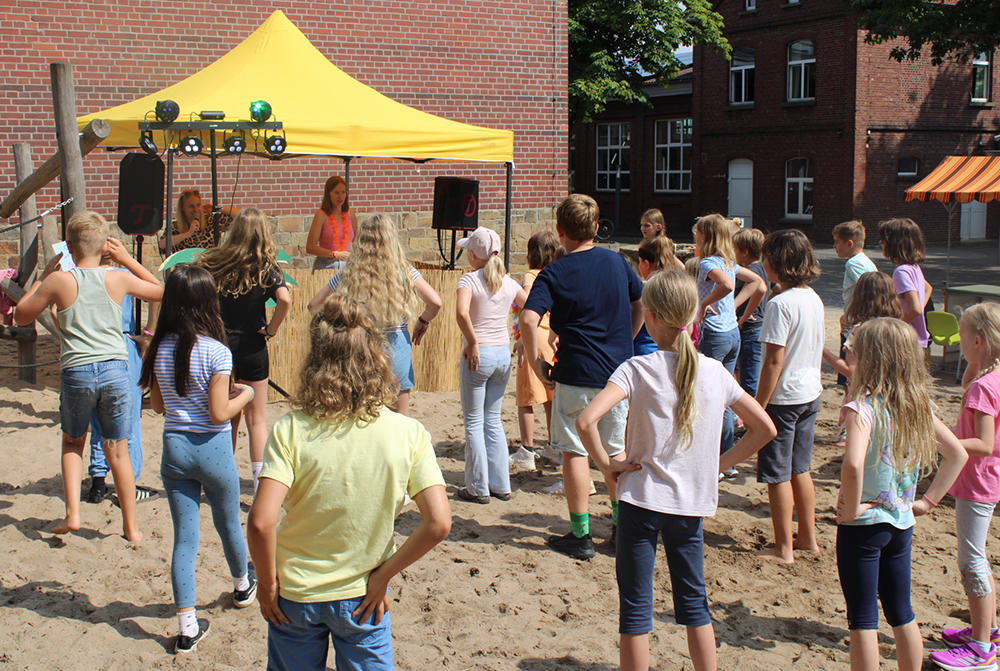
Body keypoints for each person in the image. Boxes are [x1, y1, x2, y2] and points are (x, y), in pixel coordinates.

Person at [576, 270, 776, 671]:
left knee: (635, 610)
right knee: (694, 603)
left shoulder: (637, 368)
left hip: (641, 499)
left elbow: (585, 421)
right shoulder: (716, 373)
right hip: (690, 505)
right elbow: (764, 429)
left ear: (649, 317)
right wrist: (719, 465)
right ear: (695, 315)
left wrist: (606, 466)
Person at [247, 294, 451, 671]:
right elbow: (438, 523)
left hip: (296, 593)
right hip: (364, 595)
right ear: (378, 356)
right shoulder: (409, 433)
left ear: (316, 357)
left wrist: (266, 583)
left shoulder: (291, 429)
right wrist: (383, 576)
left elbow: (261, 522)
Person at [14, 212, 162, 541]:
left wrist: (44, 275)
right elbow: (159, 291)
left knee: (72, 442)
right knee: (118, 450)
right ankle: (132, 527)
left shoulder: (60, 280)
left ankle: (73, 514)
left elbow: (21, 315)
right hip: (114, 369)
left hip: (78, 371)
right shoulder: (116, 277)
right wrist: (127, 260)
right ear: (105, 245)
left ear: (68, 246)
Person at [140, 264, 258, 654]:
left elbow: (157, 405)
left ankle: (187, 626)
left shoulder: (160, 348)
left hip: (175, 448)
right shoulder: (216, 351)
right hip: (213, 449)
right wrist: (247, 395)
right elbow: (219, 414)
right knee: (228, 525)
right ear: (210, 303)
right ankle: (242, 585)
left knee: (184, 540)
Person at [837, 318, 967, 671]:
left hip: (864, 527)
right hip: (901, 523)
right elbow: (957, 454)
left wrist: (851, 509)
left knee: (862, 619)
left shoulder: (861, 408)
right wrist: (928, 501)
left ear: (870, 360)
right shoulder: (917, 406)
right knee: (901, 612)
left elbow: (852, 465)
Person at [520, 194, 644, 560]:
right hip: (616, 375)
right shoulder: (619, 263)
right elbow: (640, 303)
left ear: (560, 232)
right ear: (595, 227)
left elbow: (528, 319)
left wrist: (535, 361)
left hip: (575, 372)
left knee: (575, 451)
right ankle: (622, 528)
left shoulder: (554, 272)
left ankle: (581, 534)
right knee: (615, 450)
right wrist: (628, 341)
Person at [307, 214, 442, 416]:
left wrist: (340, 324)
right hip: (397, 348)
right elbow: (436, 302)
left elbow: (314, 305)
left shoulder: (349, 273)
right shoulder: (405, 272)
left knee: (362, 417)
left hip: (361, 347)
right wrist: (422, 321)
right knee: (399, 420)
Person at [197, 207, 292, 492]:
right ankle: (261, 483)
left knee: (226, 416)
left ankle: (219, 478)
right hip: (252, 344)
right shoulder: (267, 268)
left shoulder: (213, 261)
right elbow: (285, 300)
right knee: (257, 418)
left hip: (219, 345)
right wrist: (271, 329)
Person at [929, 303, 1000, 671]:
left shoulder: (985, 387)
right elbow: (967, 381)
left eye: (962, 334)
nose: (956, 339)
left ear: (977, 340)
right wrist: (979, 360)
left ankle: (981, 648)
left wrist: (942, 442)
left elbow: (985, 443)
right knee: (978, 556)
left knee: (971, 561)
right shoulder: (991, 375)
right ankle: (987, 627)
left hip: (977, 480)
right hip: (987, 478)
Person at [754, 229, 824, 564]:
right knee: (801, 468)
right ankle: (807, 538)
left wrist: (758, 406)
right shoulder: (813, 297)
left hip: (783, 399)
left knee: (777, 474)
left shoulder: (779, 303)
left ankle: (783, 548)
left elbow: (773, 361)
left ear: (776, 261)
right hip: (811, 393)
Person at [454, 227, 528, 503]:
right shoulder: (508, 282)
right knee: (493, 420)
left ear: (473, 254)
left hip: (480, 353)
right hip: (501, 354)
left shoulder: (469, 280)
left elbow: (462, 313)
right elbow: (529, 307)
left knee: (474, 422)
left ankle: (477, 487)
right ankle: (500, 484)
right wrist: (519, 336)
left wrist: (472, 342)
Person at [693, 214, 766, 471]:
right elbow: (759, 284)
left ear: (704, 236)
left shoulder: (707, 263)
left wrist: (703, 304)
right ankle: (728, 460)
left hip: (714, 335)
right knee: (725, 396)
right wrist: (735, 310)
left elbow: (725, 284)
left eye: (697, 233)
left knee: (711, 395)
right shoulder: (727, 261)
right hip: (732, 332)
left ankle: (717, 457)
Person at [86, 250, 152, 504]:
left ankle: (98, 481)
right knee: (129, 416)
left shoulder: (76, 277)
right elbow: (156, 291)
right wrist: (149, 332)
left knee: (97, 417)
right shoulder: (121, 275)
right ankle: (130, 483)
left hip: (90, 345)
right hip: (120, 343)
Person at [510, 230, 564, 471]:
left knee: (526, 396)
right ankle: (554, 446)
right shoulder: (558, 273)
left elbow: (529, 302)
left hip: (535, 333)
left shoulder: (531, 275)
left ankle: (527, 450)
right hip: (554, 335)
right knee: (550, 395)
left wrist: (522, 337)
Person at [832, 220, 879, 443]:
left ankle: (848, 430)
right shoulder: (865, 260)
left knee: (851, 380)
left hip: (855, 327)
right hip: (859, 322)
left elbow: (867, 290)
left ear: (850, 243)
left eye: (837, 242)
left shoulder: (854, 264)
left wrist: (851, 316)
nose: (835, 247)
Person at [822, 272, 902, 382]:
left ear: (859, 296)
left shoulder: (860, 332)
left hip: (864, 394)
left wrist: (823, 351)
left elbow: (851, 372)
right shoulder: (900, 329)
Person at [878, 218, 932, 351]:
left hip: (907, 339)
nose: (880, 243)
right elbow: (927, 289)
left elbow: (915, 308)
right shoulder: (914, 267)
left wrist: (895, 326)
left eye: (883, 240)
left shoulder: (901, 271)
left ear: (894, 244)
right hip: (917, 339)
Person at [732, 228, 768, 398]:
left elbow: (762, 289)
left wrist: (745, 316)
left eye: (735, 249)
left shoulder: (751, 272)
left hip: (750, 328)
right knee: (744, 373)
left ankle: (750, 421)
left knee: (749, 380)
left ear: (745, 252)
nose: (733, 253)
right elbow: (774, 289)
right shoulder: (761, 268)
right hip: (753, 327)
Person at [158, 188, 239, 254]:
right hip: (186, 271)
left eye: (198, 205)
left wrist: (217, 208)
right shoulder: (176, 226)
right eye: (191, 206)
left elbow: (240, 215)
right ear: (182, 208)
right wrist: (188, 233)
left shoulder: (212, 220)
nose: (196, 210)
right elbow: (162, 245)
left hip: (209, 269)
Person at [306, 175, 357, 270]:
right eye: (336, 192)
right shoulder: (321, 215)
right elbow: (310, 247)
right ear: (328, 194)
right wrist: (335, 254)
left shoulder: (351, 214)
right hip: (326, 265)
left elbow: (355, 241)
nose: (340, 196)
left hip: (347, 266)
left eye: (343, 192)